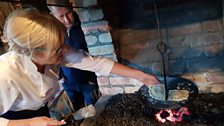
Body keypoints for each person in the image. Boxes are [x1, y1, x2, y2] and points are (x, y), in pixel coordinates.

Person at [0, 9, 159, 126]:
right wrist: (28, 124)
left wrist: (139, 75)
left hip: (39, 113)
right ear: (32, 52)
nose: (64, 50)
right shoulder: (5, 73)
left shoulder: (59, 51)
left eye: (62, 44)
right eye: (56, 49)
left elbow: (96, 63)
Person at [47, 0, 100, 110]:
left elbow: (96, 54)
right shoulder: (51, 32)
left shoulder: (86, 25)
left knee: (94, 111)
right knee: (78, 111)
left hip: (88, 81)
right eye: (61, 16)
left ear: (72, 7)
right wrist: (60, 77)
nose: (67, 20)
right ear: (52, 15)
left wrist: (93, 79)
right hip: (68, 82)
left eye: (68, 13)